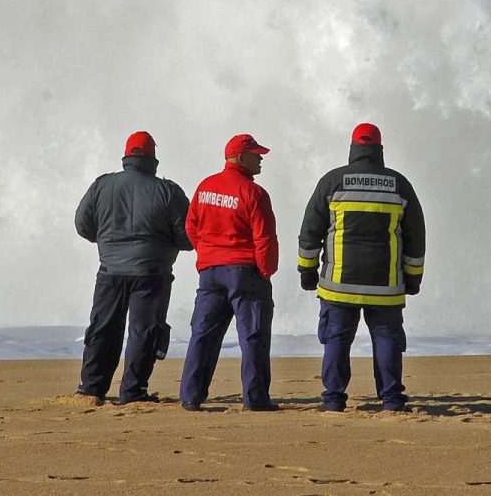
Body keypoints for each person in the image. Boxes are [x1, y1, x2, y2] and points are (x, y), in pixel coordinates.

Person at [297, 122, 425, 412]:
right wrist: (413, 278)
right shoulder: (399, 184)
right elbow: (416, 237)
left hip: (338, 286)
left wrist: (307, 271)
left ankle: (333, 399)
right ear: (379, 150)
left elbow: (310, 231)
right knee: (387, 340)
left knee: (336, 340)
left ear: (353, 150)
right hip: (386, 285)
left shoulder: (332, 181)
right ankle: (391, 399)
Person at [73, 130, 192, 405]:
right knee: (144, 332)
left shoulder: (101, 185)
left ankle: (91, 388)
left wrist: (107, 242)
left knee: (103, 329)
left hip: (110, 270)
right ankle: (133, 391)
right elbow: (187, 236)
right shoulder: (167, 191)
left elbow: (83, 224)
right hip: (151, 273)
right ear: (153, 158)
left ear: (126, 156)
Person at [178, 132, 280, 412]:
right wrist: (266, 270)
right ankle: (255, 399)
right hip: (244, 270)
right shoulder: (254, 192)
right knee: (253, 335)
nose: (260, 159)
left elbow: (191, 227)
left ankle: (191, 395)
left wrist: (207, 253)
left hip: (210, 271)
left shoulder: (205, 186)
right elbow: (265, 238)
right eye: (256, 154)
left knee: (203, 334)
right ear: (240, 157)